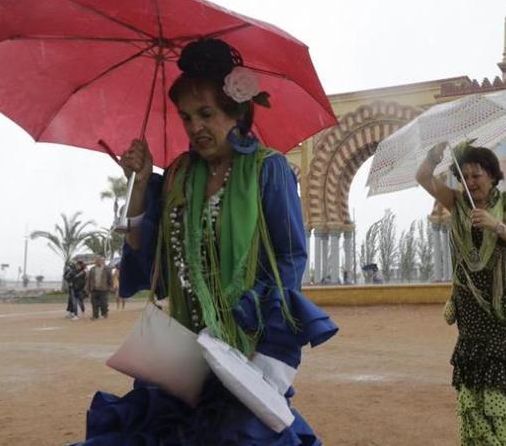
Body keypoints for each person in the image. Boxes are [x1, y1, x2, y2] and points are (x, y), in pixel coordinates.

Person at [75, 39, 338, 444]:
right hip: (180, 356)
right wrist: (142, 183)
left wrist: (259, 334)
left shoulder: (269, 171)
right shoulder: (178, 175)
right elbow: (148, 260)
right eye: (185, 117)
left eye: (206, 114)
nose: (195, 127)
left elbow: (289, 259)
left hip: (242, 352)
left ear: (237, 112)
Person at [417, 141, 506, 445]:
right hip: (470, 309)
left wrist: (496, 226)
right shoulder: (458, 202)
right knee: (476, 380)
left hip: (502, 306)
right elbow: (424, 178)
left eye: (477, 175)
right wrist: (432, 157)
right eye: (465, 175)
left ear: (491, 175)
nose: (472, 182)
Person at [85, 255, 113, 320]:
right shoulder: (92, 269)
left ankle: (104, 313)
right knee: (94, 303)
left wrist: (111, 287)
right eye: (96, 260)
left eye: (99, 260)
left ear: (101, 261)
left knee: (104, 303)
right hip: (94, 289)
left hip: (104, 289)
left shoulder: (107, 269)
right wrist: (87, 288)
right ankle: (95, 316)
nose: (97, 261)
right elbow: (89, 279)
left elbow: (110, 278)